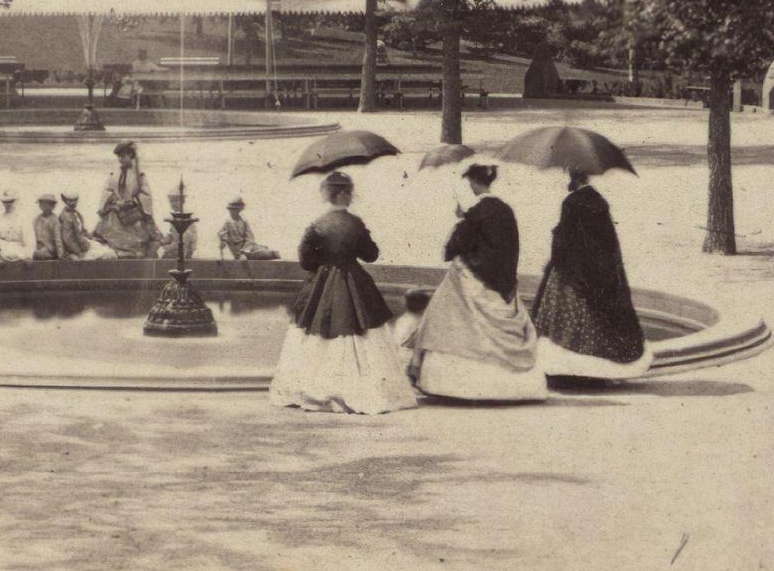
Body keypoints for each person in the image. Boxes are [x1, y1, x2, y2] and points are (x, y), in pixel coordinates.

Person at [269, 171, 418, 415]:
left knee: (317, 331)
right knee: (361, 330)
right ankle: (362, 390)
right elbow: (371, 255)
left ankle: (318, 388)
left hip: (322, 284)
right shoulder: (355, 223)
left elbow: (306, 261)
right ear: (345, 195)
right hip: (354, 281)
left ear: (327, 195)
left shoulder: (316, 225)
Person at [407, 164, 547, 401]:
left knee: (447, 315)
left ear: (473, 182)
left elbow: (453, 247)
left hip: (471, 278)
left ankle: (454, 385)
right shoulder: (505, 210)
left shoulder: (475, 212)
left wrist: (461, 223)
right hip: (502, 283)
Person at [531, 170, 654, 379]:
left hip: (572, 273)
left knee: (563, 324)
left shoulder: (571, 202)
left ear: (572, 176)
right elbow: (606, 243)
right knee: (597, 327)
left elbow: (565, 243)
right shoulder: (599, 200)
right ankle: (596, 372)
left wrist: (557, 235)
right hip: (598, 273)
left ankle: (566, 372)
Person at [94, 141, 159, 258]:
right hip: (116, 210)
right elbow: (107, 190)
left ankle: (133, 252)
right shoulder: (114, 174)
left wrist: (133, 201)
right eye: (119, 157)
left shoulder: (139, 175)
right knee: (110, 233)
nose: (120, 159)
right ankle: (116, 251)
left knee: (138, 237)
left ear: (131, 155)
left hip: (132, 211)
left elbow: (145, 194)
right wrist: (114, 201)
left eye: (123, 156)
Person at [58, 192, 116, 260]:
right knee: (109, 254)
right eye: (70, 200)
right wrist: (79, 253)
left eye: (75, 200)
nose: (73, 202)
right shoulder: (66, 216)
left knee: (110, 250)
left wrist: (92, 237)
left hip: (84, 243)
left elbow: (82, 231)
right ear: (65, 201)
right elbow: (67, 239)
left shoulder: (75, 213)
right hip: (79, 249)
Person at [32, 193, 65, 260]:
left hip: (49, 249)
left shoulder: (54, 220)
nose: (42, 206)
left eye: (45, 204)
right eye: (41, 204)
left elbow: (57, 238)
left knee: (38, 254)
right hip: (38, 247)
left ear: (52, 206)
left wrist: (60, 255)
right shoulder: (37, 218)